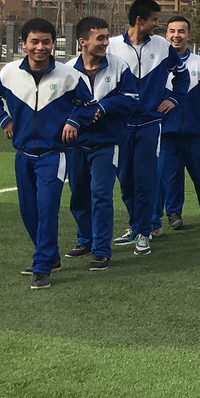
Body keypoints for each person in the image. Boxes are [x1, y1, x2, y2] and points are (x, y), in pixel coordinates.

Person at [0, 18, 98, 290]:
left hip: (54, 155)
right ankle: (51, 256)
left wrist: (74, 122)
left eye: (46, 42)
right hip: (23, 154)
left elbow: (89, 105)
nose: (40, 47)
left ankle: (42, 265)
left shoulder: (68, 76)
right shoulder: (9, 73)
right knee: (29, 211)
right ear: (23, 44)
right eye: (34, 42)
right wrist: (4, 120)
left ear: (53, 44)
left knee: (47, 208)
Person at [107, 0, 186, 256]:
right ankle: (135, 225)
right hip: (120, 126)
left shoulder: (162, 45)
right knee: (125, 180)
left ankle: (144, 231)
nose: (157, 25)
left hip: (150, 124)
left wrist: (174, 99)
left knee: (145, 179)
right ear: (140, 20)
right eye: (154, 20)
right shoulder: (112, 47)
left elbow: (182, 75)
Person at [64, 16, 138, 272]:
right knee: (78, 195)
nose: (106, 42)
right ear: (82, 41)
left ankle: (101, 250)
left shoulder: (119, 66)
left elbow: (132, 98)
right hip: (76, 144)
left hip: (107, 142)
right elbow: (60, 104)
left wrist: (103, 108)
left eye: (107, 37)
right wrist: (78, 118)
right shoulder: (67, 70)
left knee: (101, 195)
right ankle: (85, 240)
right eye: (100, 38)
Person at [159, 15, 200, 232]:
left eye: (181, 31)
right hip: (166, 133)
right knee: (169, 177)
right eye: (172, 31)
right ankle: (173, 213)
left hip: (196, 133)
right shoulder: (157, 64)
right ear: (166, 35)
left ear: (188, 35)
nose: (176, 36)